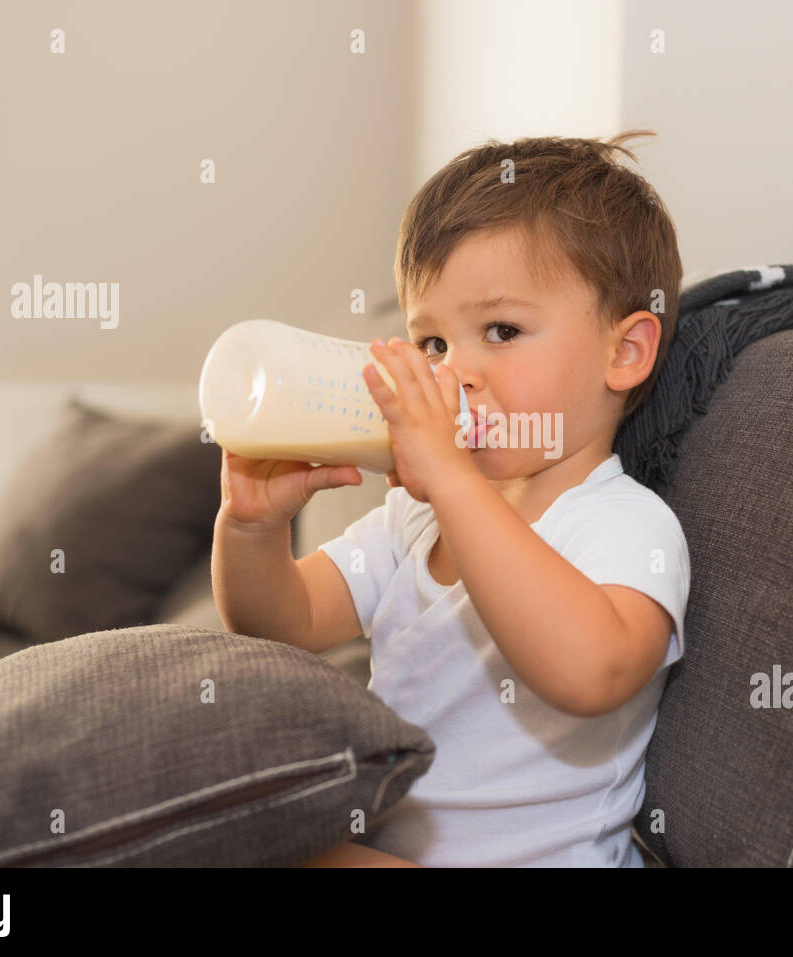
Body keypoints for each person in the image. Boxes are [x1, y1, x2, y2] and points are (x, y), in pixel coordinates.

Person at [212, 131, 689, 867]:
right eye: (431, 344)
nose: (453, 372)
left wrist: (457, 483)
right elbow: (282, 622)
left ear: (623, 352)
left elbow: (594, 671)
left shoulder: (626, 524)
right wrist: (251, 528)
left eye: (501, 330)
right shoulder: (415, 517)